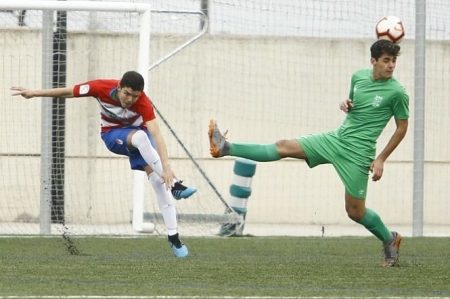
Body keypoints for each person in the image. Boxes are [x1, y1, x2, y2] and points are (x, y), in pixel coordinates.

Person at [208, 39, 408, 267]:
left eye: (393, 61)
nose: (391, 65)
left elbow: (402, 128)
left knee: (355, 212)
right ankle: (225, 147)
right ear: (373, 61)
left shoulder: (397, 92)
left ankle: (389, 239)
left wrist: (381, 158)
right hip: (336, 139)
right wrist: (346, 104)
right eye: (386, 60)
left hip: (359, 154)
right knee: (283, 146)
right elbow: (353, 103)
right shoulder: (358, 77)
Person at [11, 70, 196, 258]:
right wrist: (34, 92)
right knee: (140, 137)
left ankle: (174, 238)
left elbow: (157, 134)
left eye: (135, 96)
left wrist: (167, 167)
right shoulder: (100, 87)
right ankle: (175, 185)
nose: (130, 99)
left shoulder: (144, 103)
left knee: (158, 182)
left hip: (140, 140)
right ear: (119, 87)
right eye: (126, 94)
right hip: (113, 135)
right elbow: (69, 92)